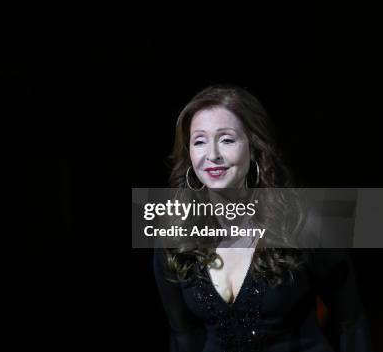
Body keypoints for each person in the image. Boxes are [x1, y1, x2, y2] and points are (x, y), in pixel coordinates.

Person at [154, 84, 373, 351]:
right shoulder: (175, 236)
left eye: (227, 139)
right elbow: (183, 336)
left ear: (254, 147)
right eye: (199, 141)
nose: (212, 155)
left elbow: (352, 321)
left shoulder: (302, 224)